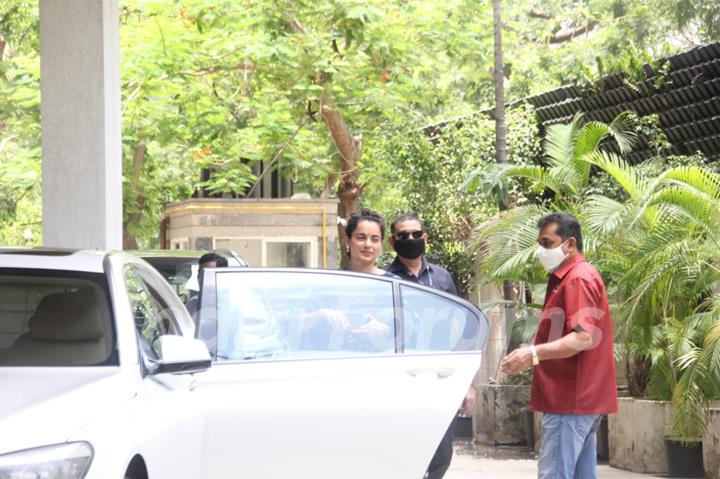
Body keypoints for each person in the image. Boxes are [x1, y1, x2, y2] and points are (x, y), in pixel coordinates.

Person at [500, 212, 618, 479]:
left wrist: (532, 353)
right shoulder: (570, 277)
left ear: (571, 244)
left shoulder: (577, 278)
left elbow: (582, 337)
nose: (541, 251)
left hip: (570, 400)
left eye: (547, 243)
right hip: (578, 400)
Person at [385, 213, 462, 479]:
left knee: (442, 453)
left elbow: (460, 327)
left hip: (440, 376)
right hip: (401, 377)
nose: (410, 239)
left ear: (425, 238)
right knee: (404, 448)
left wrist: (467, 381)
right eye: (403, 235)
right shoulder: (385, 280)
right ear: (392, 242)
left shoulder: (442, 278)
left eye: (415, 234)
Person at [186, 251, 228, 319]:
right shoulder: (192, 304)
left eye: (208, 274)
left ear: (221, 276)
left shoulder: (231, 307)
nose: (202, 277)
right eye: (200, 273)